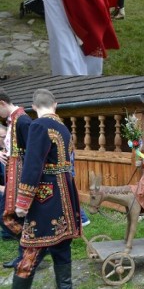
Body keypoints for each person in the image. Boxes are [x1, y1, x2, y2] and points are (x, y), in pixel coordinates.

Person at [12, 88, 81, 289]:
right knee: (61, 247)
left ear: (34, 107)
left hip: (45, 200)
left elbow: (33, 165)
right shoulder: (64, 128)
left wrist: (22, 202)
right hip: (65, 197)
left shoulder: (39, 125)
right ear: (55, 104)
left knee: (31, 249)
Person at [0, 88, 32, 270]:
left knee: (10, 216)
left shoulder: (23, 120)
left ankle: (31, 248)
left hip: (20, 177)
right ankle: (28, 249)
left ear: (1, 103)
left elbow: (32, 153)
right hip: (12, 174)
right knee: (9, 216)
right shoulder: (13, 121)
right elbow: (15, 149)